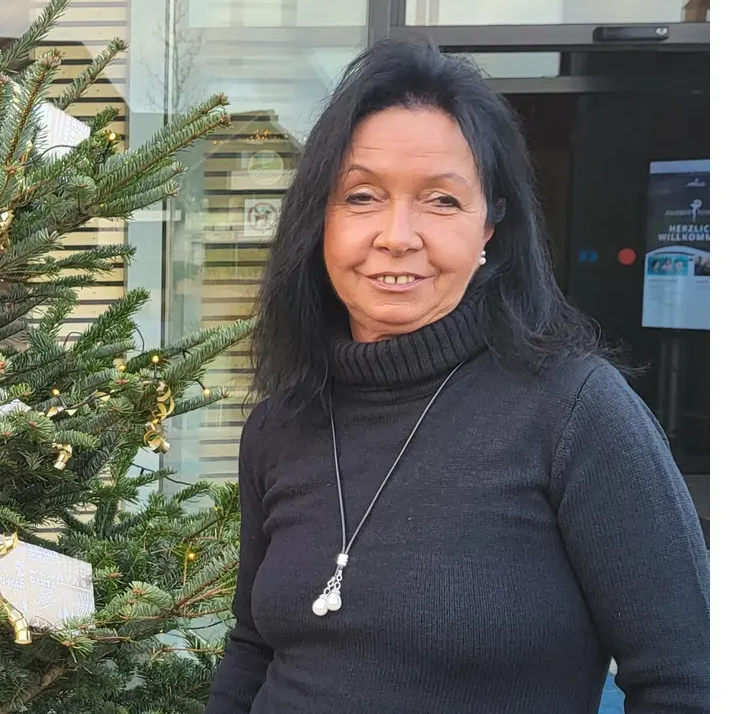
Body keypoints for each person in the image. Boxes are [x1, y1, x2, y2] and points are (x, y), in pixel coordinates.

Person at [204, 37, 708, 713]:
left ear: (489, 225)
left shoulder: (575, 413)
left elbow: (687, 680)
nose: (397, 235)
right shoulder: (280, 426)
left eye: (441, 200)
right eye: (361, 196)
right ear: (317, 219)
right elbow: (253, 648)